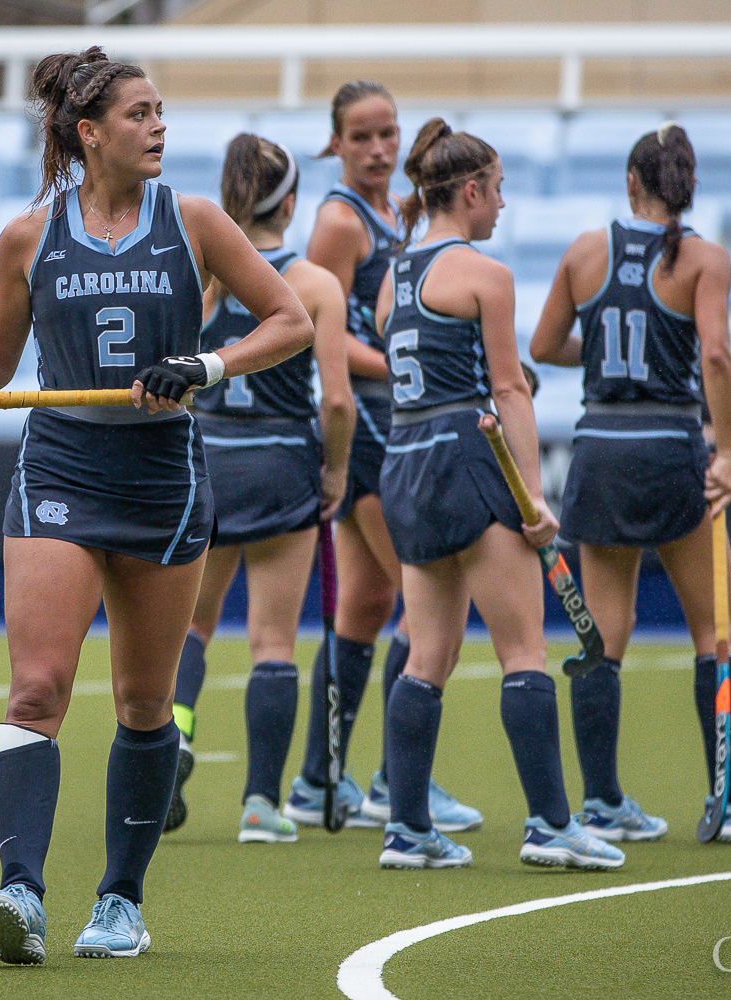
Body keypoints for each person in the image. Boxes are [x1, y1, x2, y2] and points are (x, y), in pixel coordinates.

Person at [0, 47, 312, 961]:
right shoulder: (29, 238)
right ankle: (21, 894)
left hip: (163, 480)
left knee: (145, 704)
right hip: (61, 472)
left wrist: (205, 365)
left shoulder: (194, 222)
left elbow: (289, 322)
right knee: (37, 689)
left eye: (161, 111)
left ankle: (120, 901)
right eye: (140, 113)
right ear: (89, 132)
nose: (159, 126)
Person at [528, 122, 731, 845]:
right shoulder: (703, 259)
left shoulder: (587, 251)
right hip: (669, 445)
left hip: (599, 450)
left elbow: (544, 345)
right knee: (716, 630)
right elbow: (717, 357)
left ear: (629, 183)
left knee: (601, 638)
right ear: (689, 187)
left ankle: (604, 803)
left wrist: (616, 351)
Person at [370, 119, 626, 872]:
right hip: (466, 460)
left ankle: (407, 829)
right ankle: (551, 824)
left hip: (405, 465)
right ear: (471, 190)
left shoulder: (392, 280)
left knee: (428, 653)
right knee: (524, 651)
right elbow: (509, 389)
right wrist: (532, 497)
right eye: (500, 189)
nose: (504, 205)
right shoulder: (485, 275)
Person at [284, 80, 481, 833]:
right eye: (361, 137)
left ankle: (317, 780)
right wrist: (405, 363)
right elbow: (316, 326)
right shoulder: (339, 220)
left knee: (367, 604)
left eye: (387, 134)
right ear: (335, 143)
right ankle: (400, 779)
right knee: (423, 598)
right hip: (368, 428)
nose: (377, 149)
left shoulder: (392, 212)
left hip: (390, 422)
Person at [165, 133, 355, 844]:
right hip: (280, 465)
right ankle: (259, 805)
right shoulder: (313, 285)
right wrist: (334, 470)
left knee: (191, 624)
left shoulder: (204, 272)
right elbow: (337, 403)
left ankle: (176, 734)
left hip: (208, 459)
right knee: (273, 640)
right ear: (293, 199)